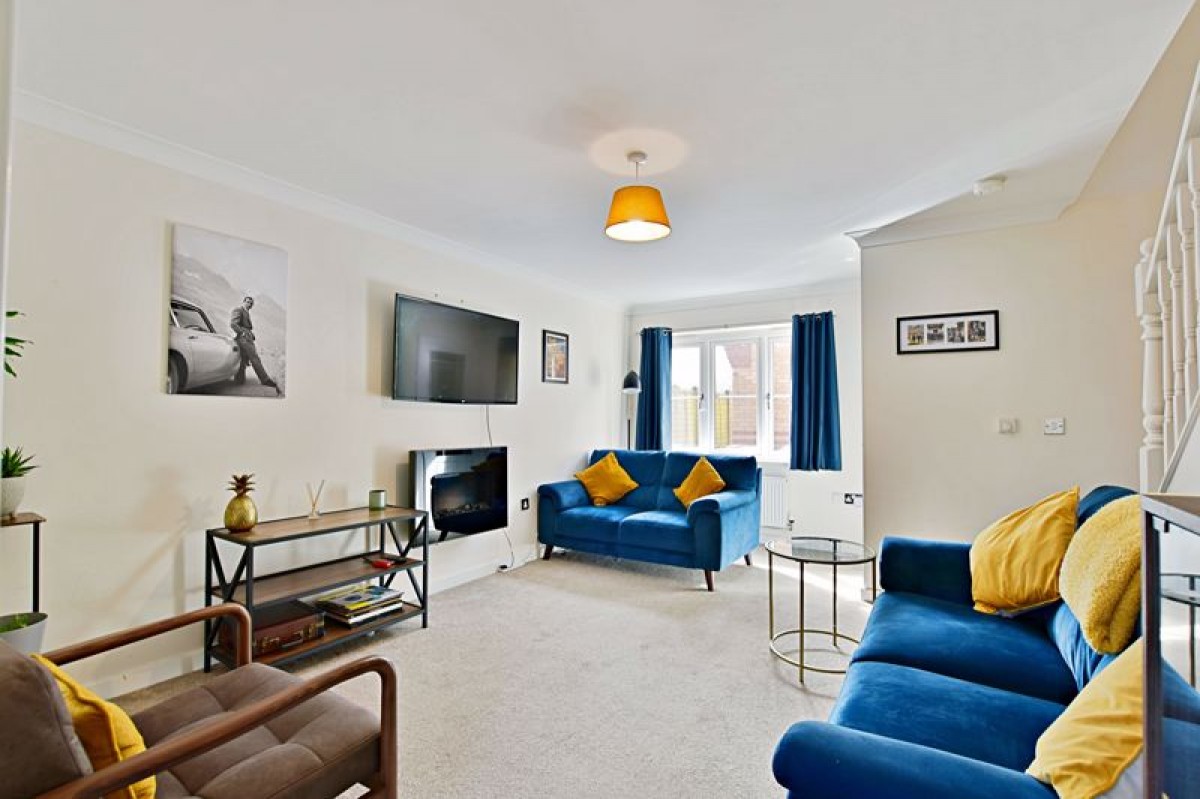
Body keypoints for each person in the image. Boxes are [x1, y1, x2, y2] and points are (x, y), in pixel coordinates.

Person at [230, 296, 281, 395]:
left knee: (243, 359)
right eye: (248, 302)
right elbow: (233, 324)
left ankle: (239, 380)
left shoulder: (246, 312)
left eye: (251, 303)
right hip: (244, 339)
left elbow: (246, 327)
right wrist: (242, 333)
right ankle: (265, 379)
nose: (249, 304)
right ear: (243, 302)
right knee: (255, 358)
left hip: (246, 338)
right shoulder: (238, 310)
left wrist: (251, 334)